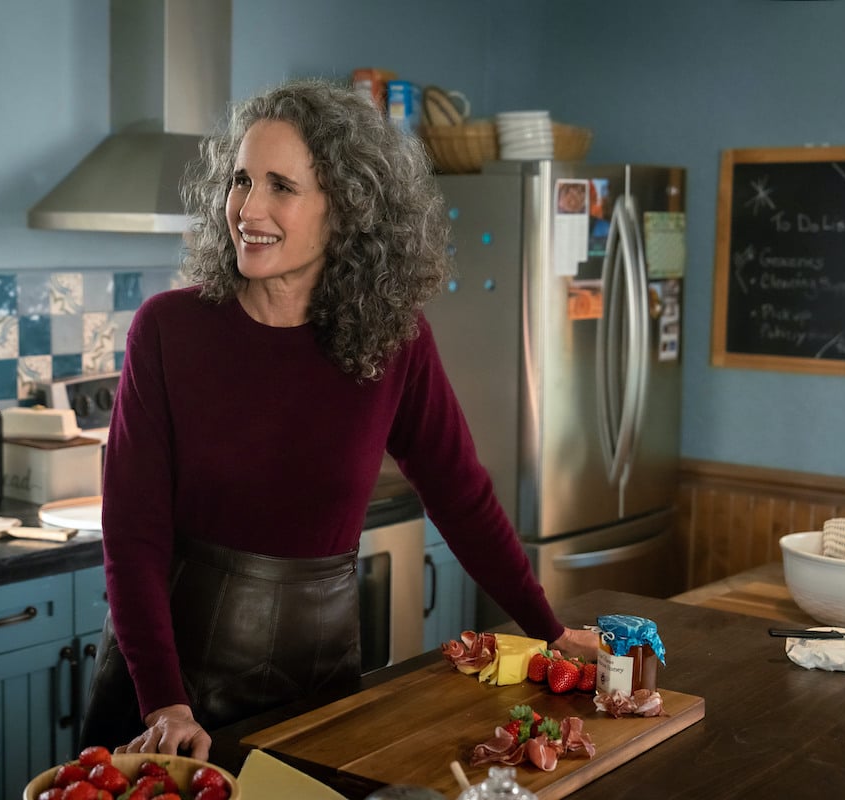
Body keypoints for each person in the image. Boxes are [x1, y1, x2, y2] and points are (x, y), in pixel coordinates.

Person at [81, 77, 601, 759]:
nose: (247, 207)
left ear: (347, 210)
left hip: (315, 674)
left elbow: (460, 494)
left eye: (281, 187)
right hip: (167, 684)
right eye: (241, 180)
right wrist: (167, 704)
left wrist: (547, 627)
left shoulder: (396, 340)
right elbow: (133, 534)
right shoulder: (167, 332)